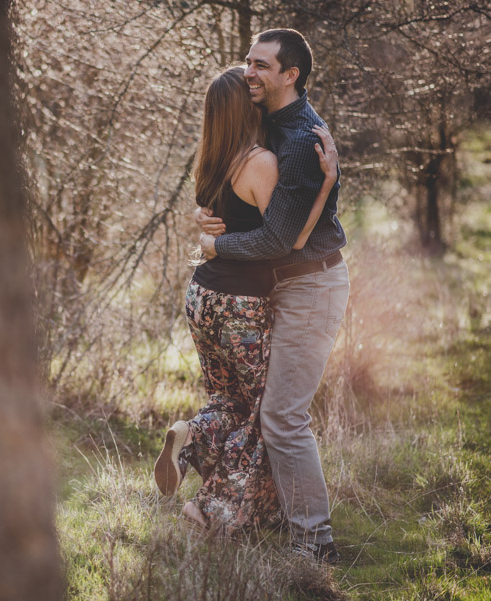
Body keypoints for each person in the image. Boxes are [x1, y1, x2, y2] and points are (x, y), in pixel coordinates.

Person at [154, 64, 338, 539]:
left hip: (203, 296)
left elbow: (223, 219)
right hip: (239, 304)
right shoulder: (261, 162)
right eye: (252, 93)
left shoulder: (213, 157)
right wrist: (327, 183)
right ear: (245, 108)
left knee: (231, 402)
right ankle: (210, 501)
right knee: (259, 414)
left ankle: (194, 440)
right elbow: (289, 239)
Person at [196, 29, 349, 564]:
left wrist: (215, 245)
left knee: (283, 417)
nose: (250, 73)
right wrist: (209, 212)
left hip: (311, 285)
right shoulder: (270, 124)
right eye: (248, 62)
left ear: (292, 75)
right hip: (279, 287)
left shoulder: (303, 139)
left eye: (262, 65)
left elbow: (278, 241)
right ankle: (263, 517)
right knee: (264, 413)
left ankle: (316, 543)